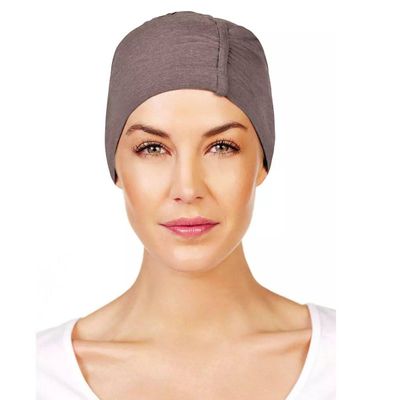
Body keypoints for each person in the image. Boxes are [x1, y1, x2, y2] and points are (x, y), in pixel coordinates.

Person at [36, 11, 335, 400]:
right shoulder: (34, 375)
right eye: (153, 148)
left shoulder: (348, 360)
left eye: (222, 147)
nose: (188, 188)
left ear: (261, 163)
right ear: (117, 167)